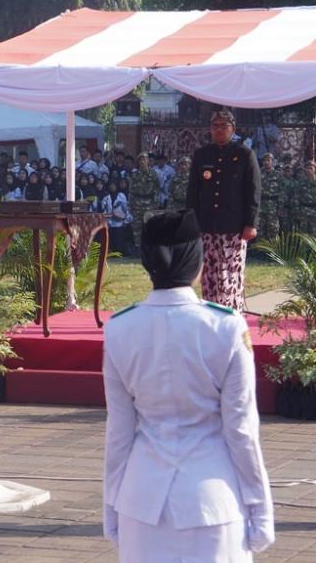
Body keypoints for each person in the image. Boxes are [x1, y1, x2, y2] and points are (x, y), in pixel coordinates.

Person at [103, 209, 274, 561]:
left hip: (142, 500)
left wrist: (112, 505)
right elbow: (241, 431)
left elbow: (118, 433)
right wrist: (260, 509)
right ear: (197, 261)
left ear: (147, 263)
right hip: (212, 497)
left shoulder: (120, 328)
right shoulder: (225, 327)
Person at [186, 110, 261, 311]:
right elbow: (193, 192)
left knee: (229, 273)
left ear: (233, 129)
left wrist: (250, 223)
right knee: (210, 273)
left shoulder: (244, 155)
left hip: (234, 227)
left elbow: (253, 191)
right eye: (215, 125)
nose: (219, 129)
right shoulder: (202, 155)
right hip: (207, 225)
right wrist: (191, 223)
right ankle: (211, 312)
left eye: (223, 125)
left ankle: (231, 315)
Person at [129, 152, 160, 252]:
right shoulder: (135, 175)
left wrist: (155, 204)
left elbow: (157, 189)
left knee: (150, 226)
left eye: (144, 159)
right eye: (140, 160)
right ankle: (138, 248)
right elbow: (131, 191)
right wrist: (131, 204)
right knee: (137, 227)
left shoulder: (153, 174)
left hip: (149, 203)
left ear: (148, 161)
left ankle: (150, 248)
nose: (142, 162)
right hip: (137, 203)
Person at [291, 160, 316, 238]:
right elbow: (296, 198)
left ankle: (313, 250)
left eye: (311, 168)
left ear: (315, 169)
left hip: (315, 211)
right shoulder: (300, 182)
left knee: (315, 235)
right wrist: (297, 211)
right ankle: (304, 250)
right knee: (303, 235)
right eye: (307, 168)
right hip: (303, 211)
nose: (309, 170)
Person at [257, 153, 281, 241]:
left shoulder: (278, 175)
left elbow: (282, 192)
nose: (266, 162)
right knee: (260, 228)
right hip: (261, 204)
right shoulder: (258, 173)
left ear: (272, 162)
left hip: (273, 206)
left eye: (268, 160)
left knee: (273, 229)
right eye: (264, 160)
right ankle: (260, 251)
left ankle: (272, 252)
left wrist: (280, 207)